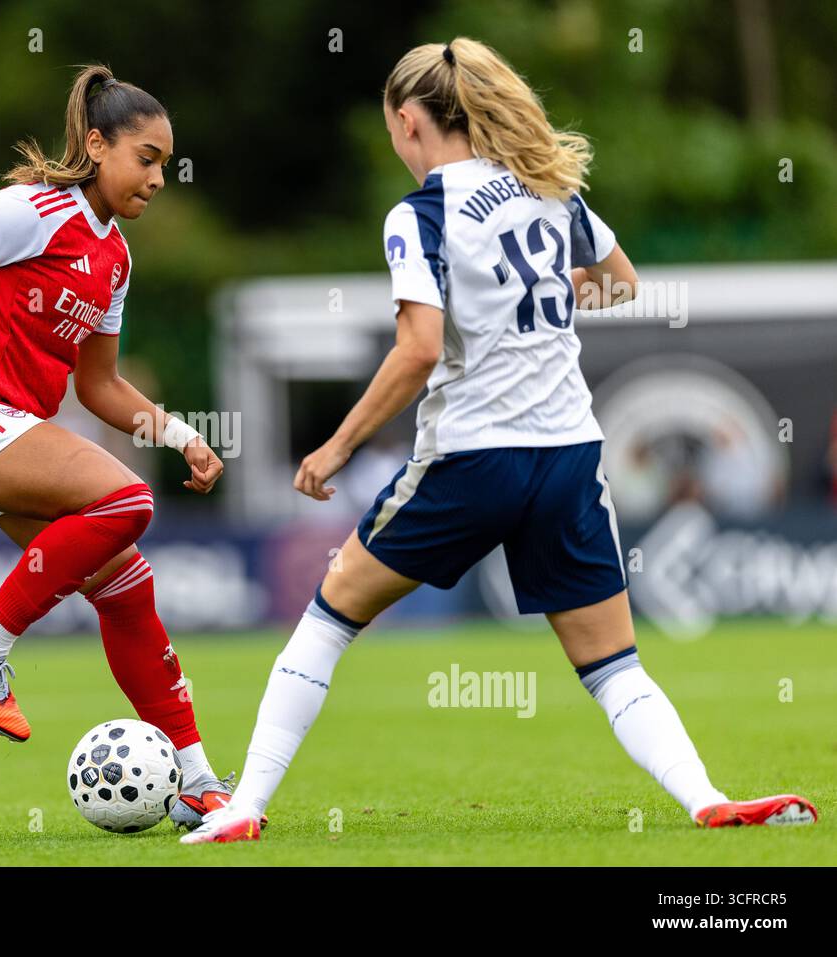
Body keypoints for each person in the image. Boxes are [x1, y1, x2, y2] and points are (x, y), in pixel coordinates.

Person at [184, 38, 817, 843]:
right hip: (567, 456)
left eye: (391, 130)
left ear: (409, 121)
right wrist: (545, 301)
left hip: (471, 457)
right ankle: (705, 797)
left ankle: (244, 806)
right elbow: (623, 280)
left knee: (330, 614)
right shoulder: (550, 191)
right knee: (615, 666)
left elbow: (417, 348)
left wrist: (339, 445)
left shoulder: (423, 213)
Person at [0, 64, 246, 829]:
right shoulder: (31, 212)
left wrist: (181, 433)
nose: (160, 177)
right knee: (126, 500)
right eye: (147, 158)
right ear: (96, 145)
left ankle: (197, 782)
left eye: (167, 163)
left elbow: (99, 386)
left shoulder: (116, 260)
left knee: (127, 585)